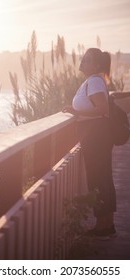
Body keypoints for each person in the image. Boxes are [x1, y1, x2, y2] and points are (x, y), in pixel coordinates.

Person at [62, 48, 116, 240]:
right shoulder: (94, 80)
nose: (82, 62)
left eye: (86, 60)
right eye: (83, 58)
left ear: (96, 65)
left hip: (96, 136)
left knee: (98, 179)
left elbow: (103, 109)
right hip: (97, 135)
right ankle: (106, 225)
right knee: (103, 178)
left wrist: (77, 113)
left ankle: (103, 227)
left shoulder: (94, 81)